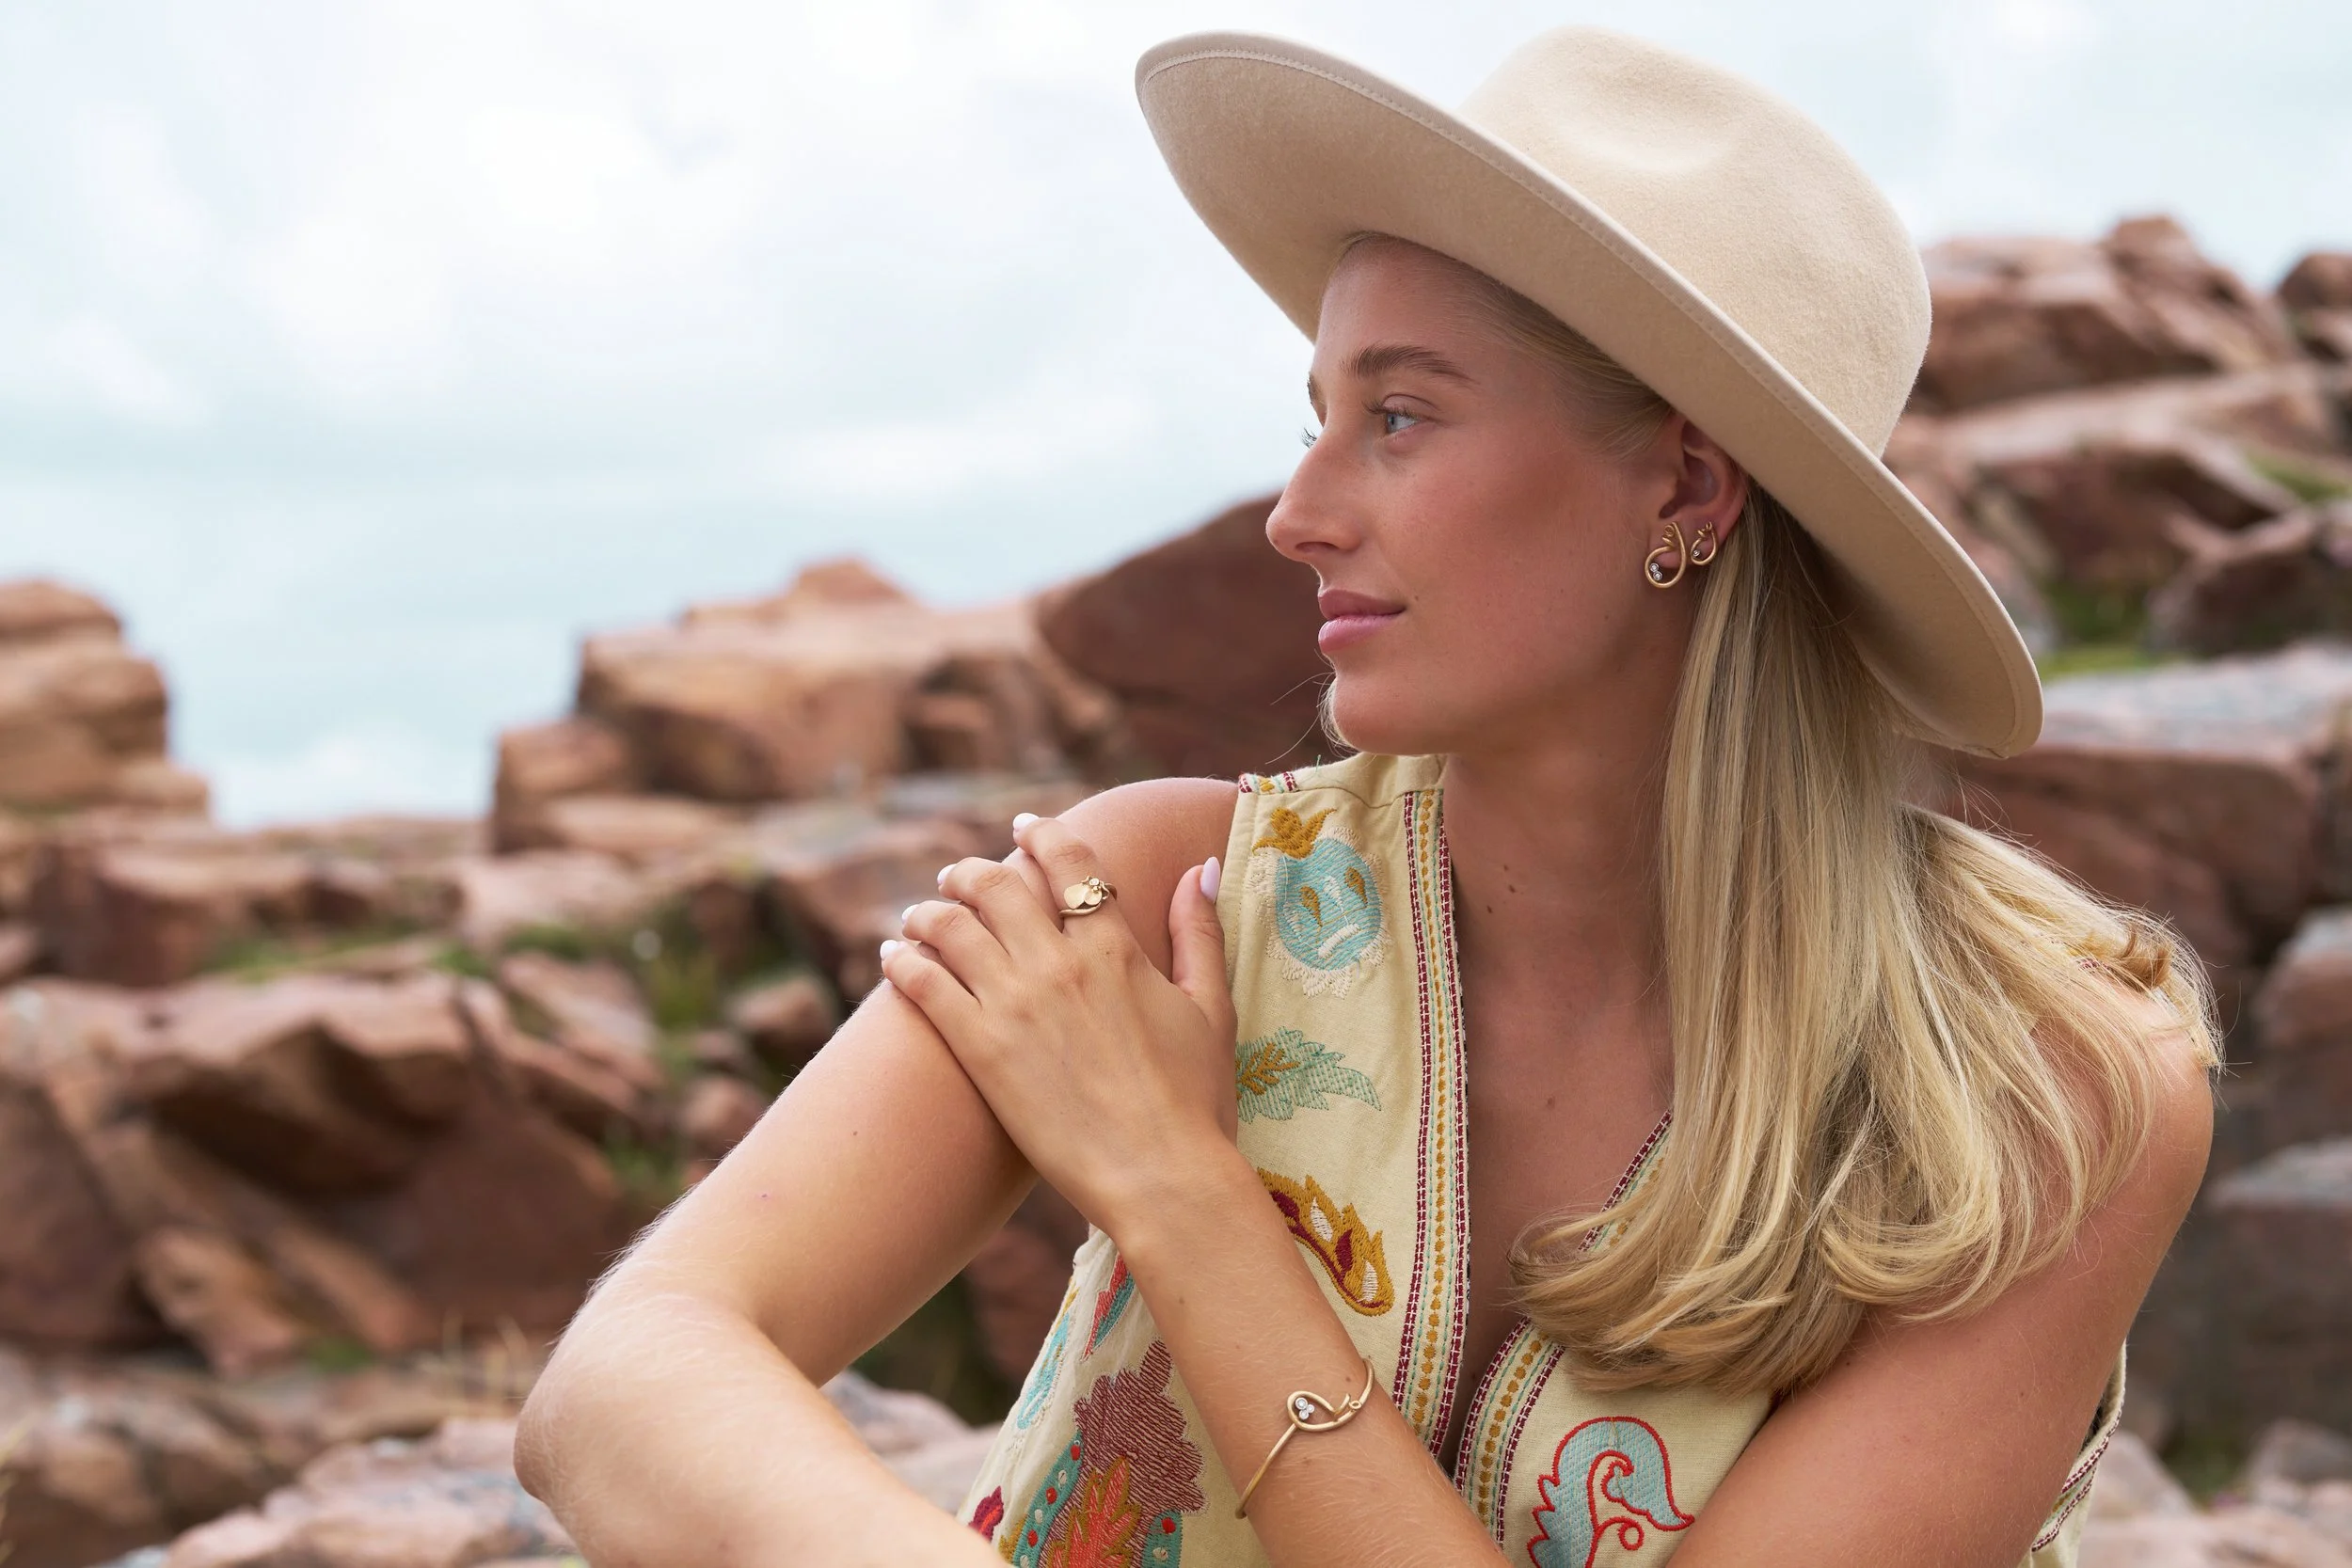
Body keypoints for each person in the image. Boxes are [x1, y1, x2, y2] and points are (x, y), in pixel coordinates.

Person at [515, 24, 2219, 1568]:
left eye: (1398, 415)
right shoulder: (1165, 897)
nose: (1297, 511)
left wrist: (1184, 1195)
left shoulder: (2039, 1084)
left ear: (1687, 482)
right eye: (1317, 414)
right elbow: (624, 1376)